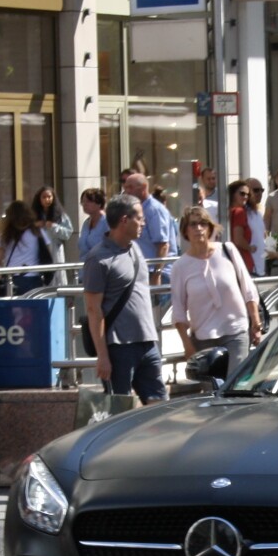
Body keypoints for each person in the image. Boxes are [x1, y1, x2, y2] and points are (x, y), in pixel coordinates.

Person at [82, 195, 166, 402]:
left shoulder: (135, 248)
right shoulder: (98, 258)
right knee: (119, 408)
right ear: (124, 220)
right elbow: (93, 310)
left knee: (160, 407)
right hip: (118, 348)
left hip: (147, 342)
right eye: (140, 218)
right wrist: (103, 356)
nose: (144, 223)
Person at [170, 205, 262, 378]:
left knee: (235, 384)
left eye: (203, 224)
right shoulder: (180, 267)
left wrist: (255, 322)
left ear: (210, 227)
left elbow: (247, 288)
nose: (198, 229)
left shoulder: (227, 250)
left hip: (236, 331)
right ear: (185, 231)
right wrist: (187, 345)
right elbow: (178, 311)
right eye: (193, 225)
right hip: (204, 337)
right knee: (212, 392)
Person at [123, 172, 178, 289]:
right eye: (125, 187)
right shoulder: (137, 209)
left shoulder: (154, 210)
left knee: (156, 307)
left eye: (130, 187)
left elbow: (163, 245)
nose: (126, 191)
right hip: (142, 271)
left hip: (156, 273)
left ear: (143, 188)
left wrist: (156, 274)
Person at [0, 200, 48, 294]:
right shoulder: (37, 232)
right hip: (33, 278)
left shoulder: (6, 235)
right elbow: (47, 253)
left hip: (12, 280)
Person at [30, 185, 74, 285]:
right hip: (39, 251)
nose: (47, 200)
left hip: (55, 251)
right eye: (44, 197)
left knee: (57, 279)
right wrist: (35, 225)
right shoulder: (33, 215)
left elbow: (68, 233)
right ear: (39, 199)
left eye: (49, 197)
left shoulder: (60, 215)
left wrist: (54, 227)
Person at [77, 187, 110, 258]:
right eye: (83, 201)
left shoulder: (107, 222)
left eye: (88, 201)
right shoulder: (86, 223)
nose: (85, 204)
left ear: (99, 203)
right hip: (85, 265)